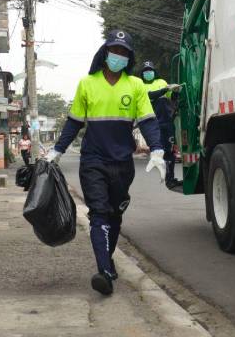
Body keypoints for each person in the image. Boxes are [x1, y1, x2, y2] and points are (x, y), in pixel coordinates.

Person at [47, 30, 165, 296]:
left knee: (114, 214)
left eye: (124, 53)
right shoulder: (87, 84)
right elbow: (75, 122)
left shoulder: (135, 85)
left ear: (129, 58)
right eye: (115, 51)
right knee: (99, 213)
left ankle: (108, 261)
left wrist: (157, 149)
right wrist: (57, 150)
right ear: (104, 53)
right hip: (93, 160)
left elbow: (147, 120)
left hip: (122, 163)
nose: (118, 56)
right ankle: (103, 272)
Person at [139, 61, 183, 189]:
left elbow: (172, 97)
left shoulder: (161, 82)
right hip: (152, 124)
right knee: (159, 151)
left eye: (150, 70)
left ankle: (170, 179)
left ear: (154, 71)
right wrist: (165, 90)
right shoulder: (140, 85)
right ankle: (163, 175)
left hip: (167, 122)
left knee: (170, 152)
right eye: (145, 71)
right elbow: (150, 96)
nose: (148, 73)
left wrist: (175, 91)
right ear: (142, 74)